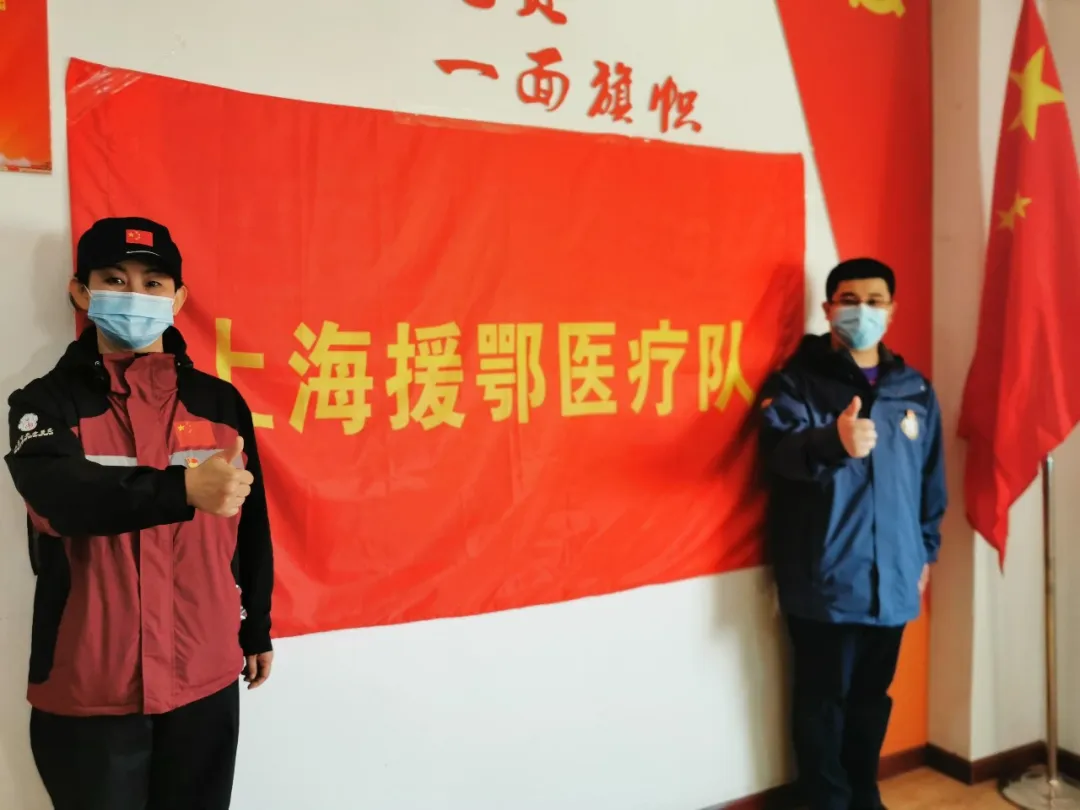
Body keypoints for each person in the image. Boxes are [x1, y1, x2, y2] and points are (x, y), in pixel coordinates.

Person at [5, 217, 274, 810]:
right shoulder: (44, 403)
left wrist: (257, 625)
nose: (134, 295)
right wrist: (183, 489)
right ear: (81, 292)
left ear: (177, 298)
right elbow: (59, 497)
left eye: (153, 283)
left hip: (204, 675)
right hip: (89, 684)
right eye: (114, 279)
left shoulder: (220, 403)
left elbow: (250, 522)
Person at [758, 258, 946, 810]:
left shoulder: (914, 388)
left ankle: (864, 795)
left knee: (871, 699)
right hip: (826, 581)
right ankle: (827, 801)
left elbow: (930, 481)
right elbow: (778, 454)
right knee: (823, 703)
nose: (861, 311)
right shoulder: (796, 382)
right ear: (828, 309)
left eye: (874, 301)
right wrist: (832, 442)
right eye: (848, 300)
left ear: (892, 309)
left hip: (895, 579)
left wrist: (925, 552)